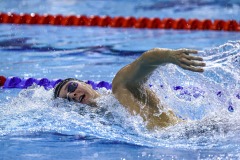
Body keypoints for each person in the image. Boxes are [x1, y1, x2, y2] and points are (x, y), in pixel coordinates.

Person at [54, 48, 205, 130]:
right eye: (67, 99)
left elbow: (145, 60)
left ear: (86, 83)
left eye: (72, 87)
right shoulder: (100, 118)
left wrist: (169, 56)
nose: (72, 94)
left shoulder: (120, 88)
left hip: (190, 133)